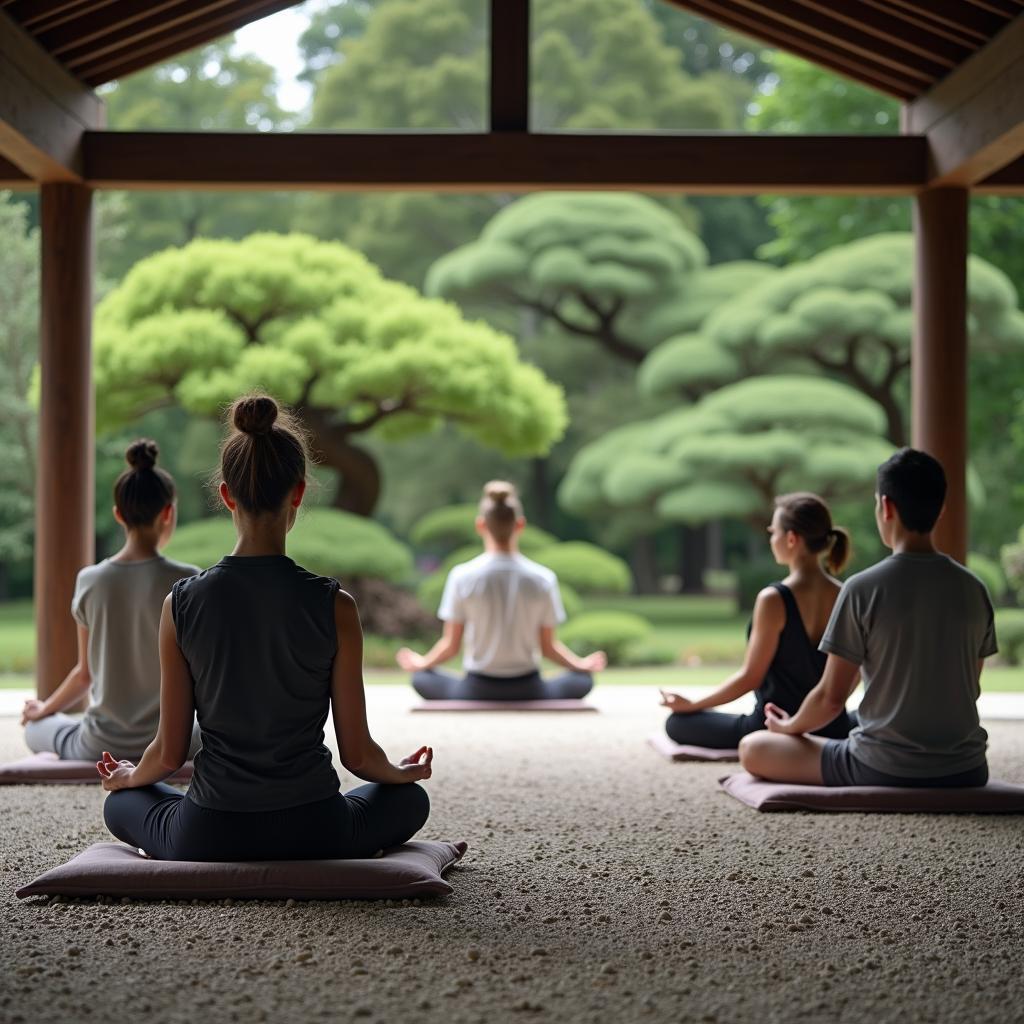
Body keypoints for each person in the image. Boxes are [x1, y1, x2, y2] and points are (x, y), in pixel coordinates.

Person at [98, 395, 432, 862]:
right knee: (410, 800)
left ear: (226, 496)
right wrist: (397, 772)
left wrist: (130, 777)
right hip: (317, 826)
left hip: (209, 832)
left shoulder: (181, 604)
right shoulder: (336, 606)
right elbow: (357, 756)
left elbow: (170, 753)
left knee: (123, 805)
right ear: (298, 492)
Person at [740, 449, 995, 788]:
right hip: (967, 769)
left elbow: (831, 699)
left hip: (881, 767)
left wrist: (789, 728)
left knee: (754, 747)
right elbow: (970, 689)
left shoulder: (862, 588)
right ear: (941, 510)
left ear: (885, 507)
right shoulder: (974, 588)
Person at [22, 440, 200, 762]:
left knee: (35, 729)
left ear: (118, 514)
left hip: (101, 746)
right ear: (168, 512)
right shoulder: (190, 581)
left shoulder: (90, 580)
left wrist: (43, 709)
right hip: (175, 743)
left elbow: (84, 675)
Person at [659, 493, 857, 749]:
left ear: (791, 539)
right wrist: (825, 713)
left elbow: (750, 677)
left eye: (773, 532)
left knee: (677, 723)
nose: (771, 539)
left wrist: (693, 704)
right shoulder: (847, 595)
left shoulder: (773, 599)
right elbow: (854, 675)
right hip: (832, 726)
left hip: (769, 726)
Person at [397, 481, 606, 701]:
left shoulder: (462, 575)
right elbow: (548, 648)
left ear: (480, 525)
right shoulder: (543, 578)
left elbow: (450, 646)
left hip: (476, 688)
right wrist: (580, 665)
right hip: (530, 688)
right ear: (520, 525)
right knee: (583, 680)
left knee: (421, 678)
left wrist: (422, 663)